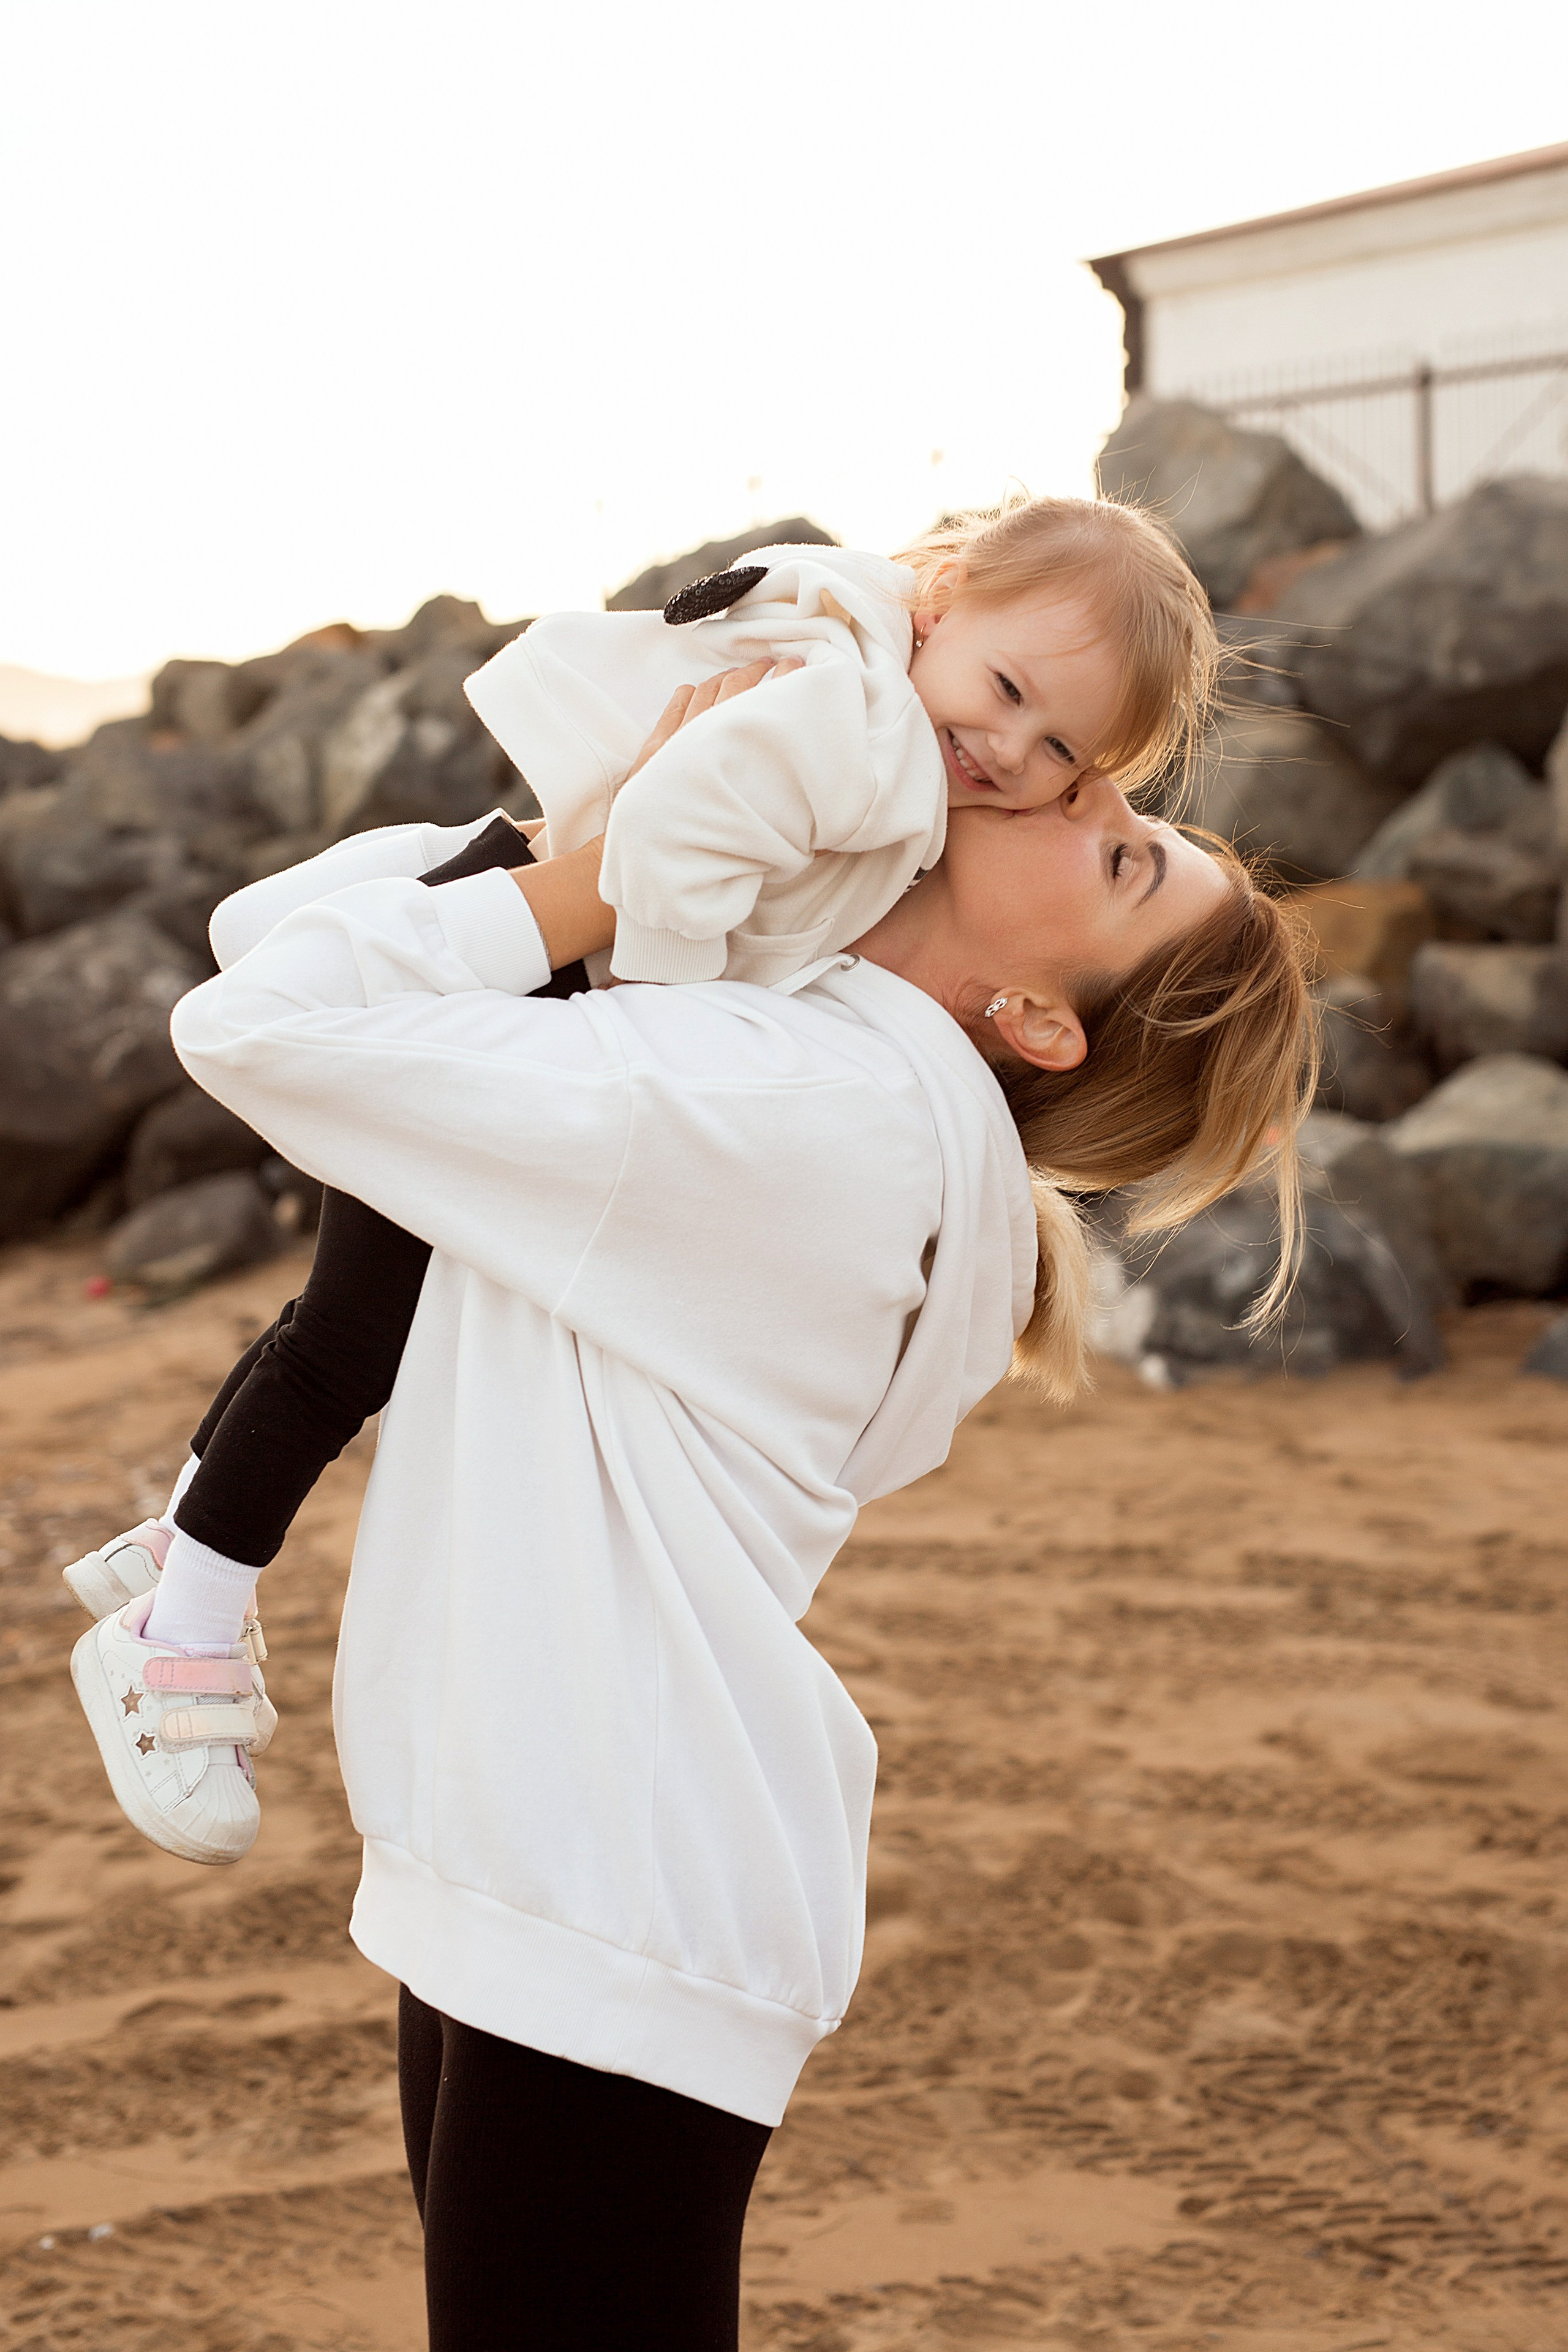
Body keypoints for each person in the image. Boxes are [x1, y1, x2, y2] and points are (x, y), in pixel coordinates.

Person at [71, 650, 1313, 2345]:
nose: (1091, 788)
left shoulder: (803, 1101)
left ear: (1039, 1016)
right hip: (552, 1854)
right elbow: (289, 932)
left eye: (1121, 862)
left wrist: (603, 873)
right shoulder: (779, 1033)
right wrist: (627, 827)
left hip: (602, 1886)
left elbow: (267, 1017)